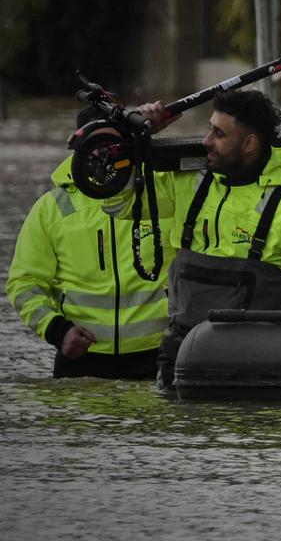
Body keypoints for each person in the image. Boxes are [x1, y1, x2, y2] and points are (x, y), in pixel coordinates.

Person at [157, 89, 281, 388]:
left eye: (219, 133)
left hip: (246, 362)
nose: (206, 141)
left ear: (249, 143)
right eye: (209, 129)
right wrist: (134, 135)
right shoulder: (187, 182)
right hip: (179, 354)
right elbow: (115, 201)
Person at [6, 106, 174, 379]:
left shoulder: (163, 193)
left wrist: (150, 137)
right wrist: (57, 331)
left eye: (114, 144)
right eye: (96, 144)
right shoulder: (52, 208)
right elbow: (24, 284)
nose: (104, 153)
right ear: (79, 146)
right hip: (81, 357)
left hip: (159, 354)